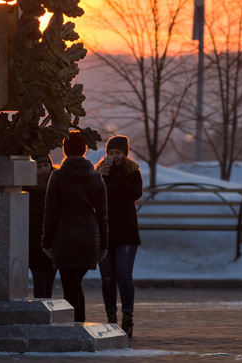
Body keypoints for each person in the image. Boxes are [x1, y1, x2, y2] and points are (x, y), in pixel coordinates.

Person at [42, 131, 108, 322]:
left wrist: (46, 242)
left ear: (64, 150)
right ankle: (79, 326)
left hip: (65, 238)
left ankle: (76, 329)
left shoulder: (58, 177)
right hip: (89, 238)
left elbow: (50, 212)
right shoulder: (96, 178)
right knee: (75, 284)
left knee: (70, 287)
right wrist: (102, 244)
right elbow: (103, 216)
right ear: (85, 150)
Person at [95, 135, 143, 338]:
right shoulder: (99, 172)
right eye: (110, 153)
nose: (113, 157)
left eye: (117, 153)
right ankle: (111, 318)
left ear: (125, 153)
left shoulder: (132, 171)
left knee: (123, 274)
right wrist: (100, 177)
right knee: (107, 277)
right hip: (104, 231)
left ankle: (128, 317)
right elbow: (93, 196)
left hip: (126, 232)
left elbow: (134, 193)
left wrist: (115, 176)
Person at [27, 154, 58, 298]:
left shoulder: (57, 183)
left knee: (49, 281)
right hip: (34, 242)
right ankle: (42, 313)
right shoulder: (27, 187)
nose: (44, 169)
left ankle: (47, 313)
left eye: (46, 165)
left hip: (53, 240)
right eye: (39, 167)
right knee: (40, 280)